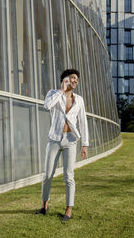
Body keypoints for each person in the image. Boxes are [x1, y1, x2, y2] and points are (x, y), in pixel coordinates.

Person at [37, 69, 89, 221]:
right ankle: (44, 205)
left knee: (69, 176)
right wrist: (61, 91)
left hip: (71, 140)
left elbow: (83, 122)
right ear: (65, 79)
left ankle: (68, 210)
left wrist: (84, 144)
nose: (75, 81)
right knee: (47, 175)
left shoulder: (79, 100)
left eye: (77, 80)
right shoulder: (53, 93)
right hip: (54, 139)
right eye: (73, 78)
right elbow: (47, 106)